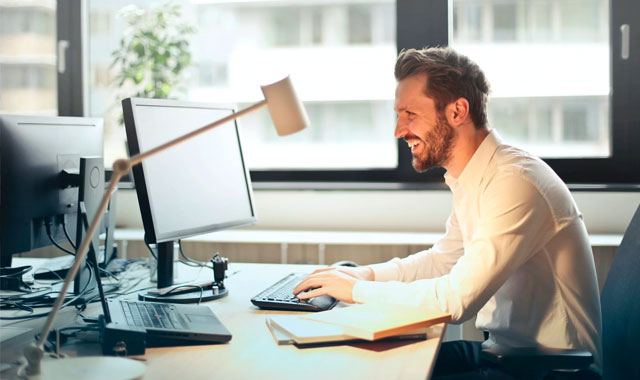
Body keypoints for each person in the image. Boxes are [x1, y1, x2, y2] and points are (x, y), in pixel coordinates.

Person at [293, 47, 602, 379]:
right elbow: (443, 261)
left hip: (551, 369)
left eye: (410, 113)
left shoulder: (515, 183)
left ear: (457, 111)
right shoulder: (475, 177)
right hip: (503, 354)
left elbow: (457, 300)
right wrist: (364, 276)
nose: (399, 130)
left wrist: (353, 292)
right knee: (365, 363)